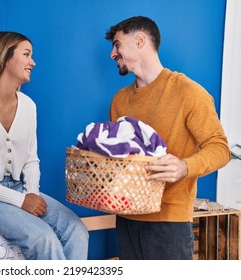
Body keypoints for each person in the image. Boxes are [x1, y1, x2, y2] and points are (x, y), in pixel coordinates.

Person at [0, 31, 89, 260]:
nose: (33, 62)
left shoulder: (29, 106)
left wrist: (32, 195)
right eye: (26, 54)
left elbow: (30, 159)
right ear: (4, 58)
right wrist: (21, 201)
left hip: (19, 189)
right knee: (43, 239)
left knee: (76, 229)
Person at [105, 16, 231, 260]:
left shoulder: (188, 92)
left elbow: (220, 148)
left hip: (169, 223)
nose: (113, 53)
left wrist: (185, 166)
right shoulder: (119, 100)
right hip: (126, 220)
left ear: (140, 40)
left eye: (118, 44)